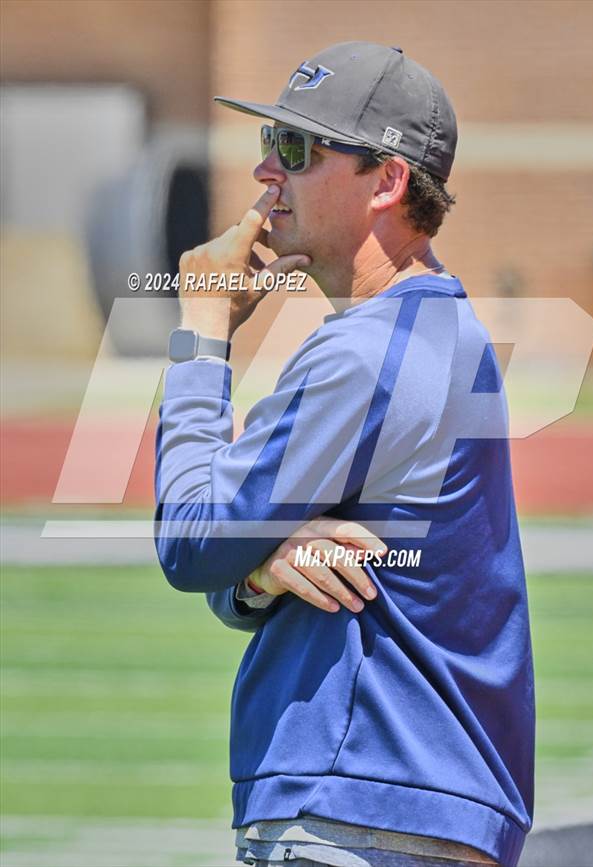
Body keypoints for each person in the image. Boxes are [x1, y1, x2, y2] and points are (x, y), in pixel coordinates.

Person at [155, 41, 534, 867]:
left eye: (296, 149)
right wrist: (258, 568)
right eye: (268, 144)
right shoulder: (439, 330)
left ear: (388, 182)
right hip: (404, 810)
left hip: (353, 807)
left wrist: (201, 336)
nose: (265, 172)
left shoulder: (369, 352)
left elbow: (191, 540)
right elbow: (239, 560)